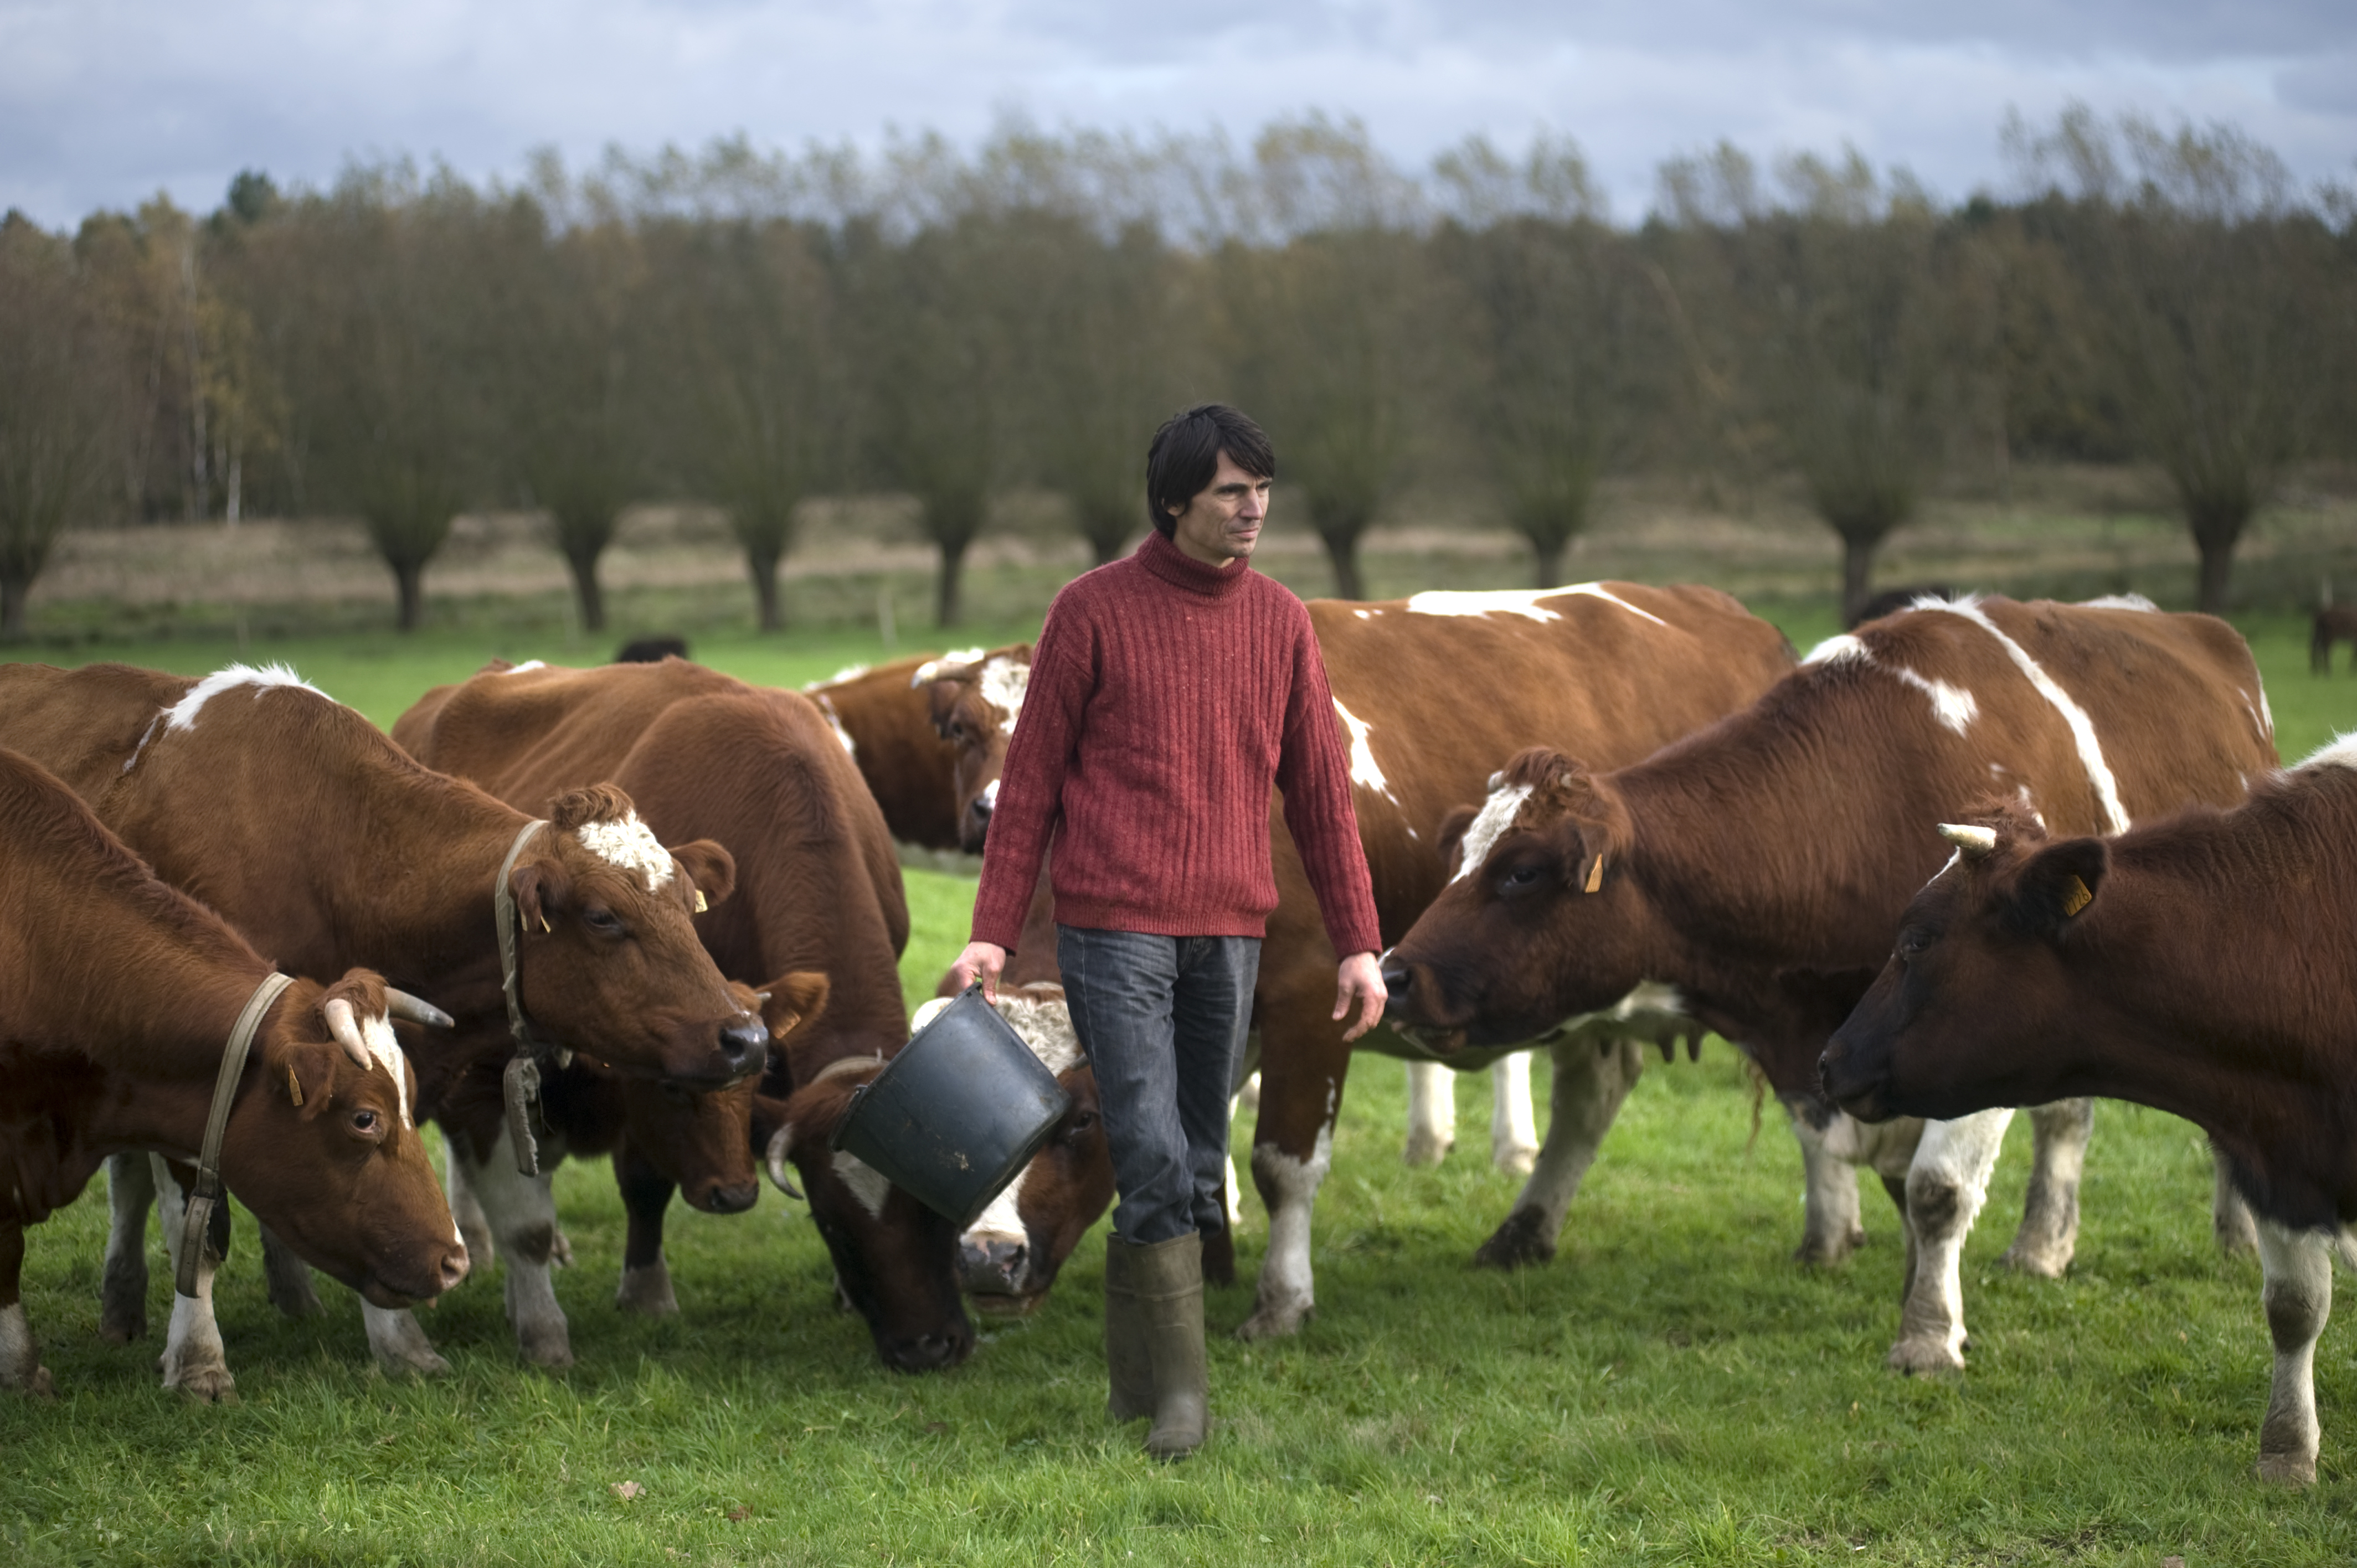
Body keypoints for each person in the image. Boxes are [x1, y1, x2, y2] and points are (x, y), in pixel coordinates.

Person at [950, 403, 1385, 1460]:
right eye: (1234, 491)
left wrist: (1361, 941)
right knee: (1148, 1150)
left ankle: (1135, 1384)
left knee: (1191, 1161)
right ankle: (1182, 1406)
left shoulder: (1281, 622)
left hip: (1228, 930)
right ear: (1177, 499)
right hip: (1114, 930)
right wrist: (993, 935)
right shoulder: (1089, 612)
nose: (1254, 510)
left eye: (1263, 491)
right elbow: (1035, 787)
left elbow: (1324, 795)